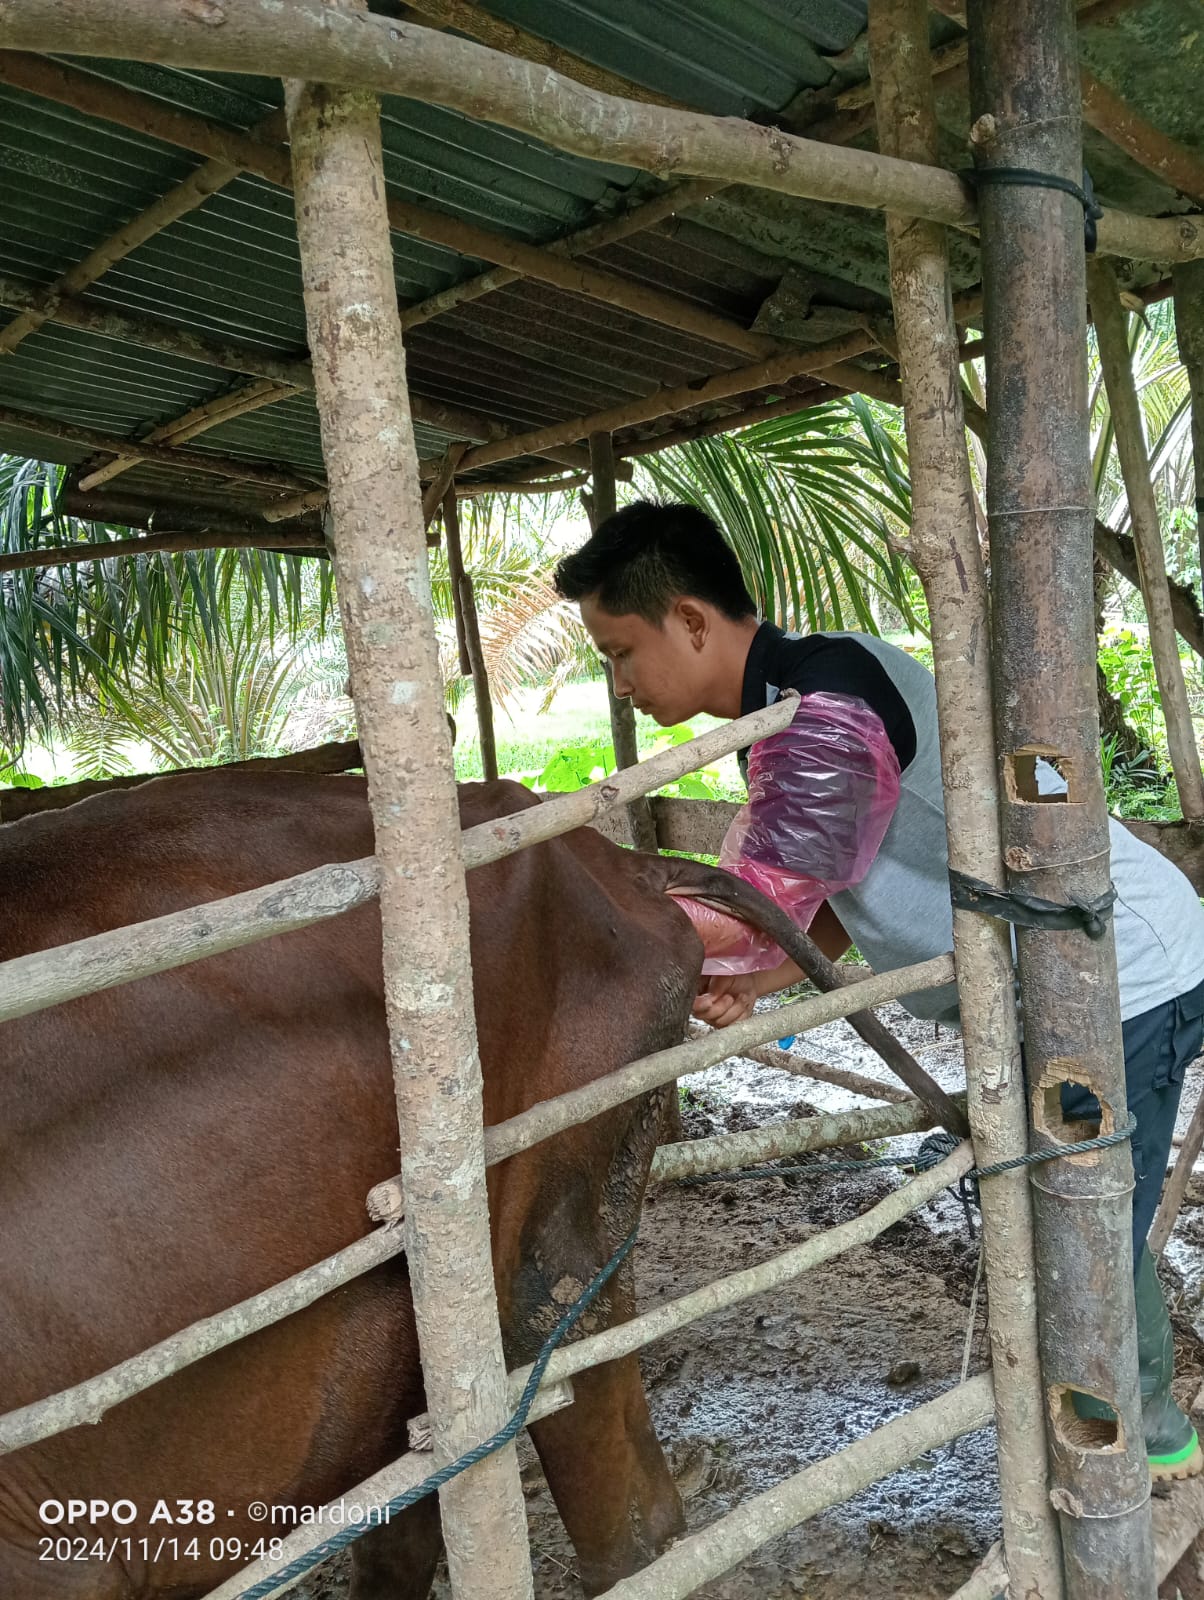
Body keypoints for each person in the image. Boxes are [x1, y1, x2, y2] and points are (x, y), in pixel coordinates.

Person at [555, 498, 1204, 1481]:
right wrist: (769, 972)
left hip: (1122, 969)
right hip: (1068, 966)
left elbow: (765, 891)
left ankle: (1148, 1443)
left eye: (618, 650)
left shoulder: (822, 706)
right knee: (1059, 1197)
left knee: (1082, 1206)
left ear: (689, 621)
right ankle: (1104, 1413)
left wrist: (575, 932)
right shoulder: (796, 696)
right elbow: (822, 884)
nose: (620, 680)